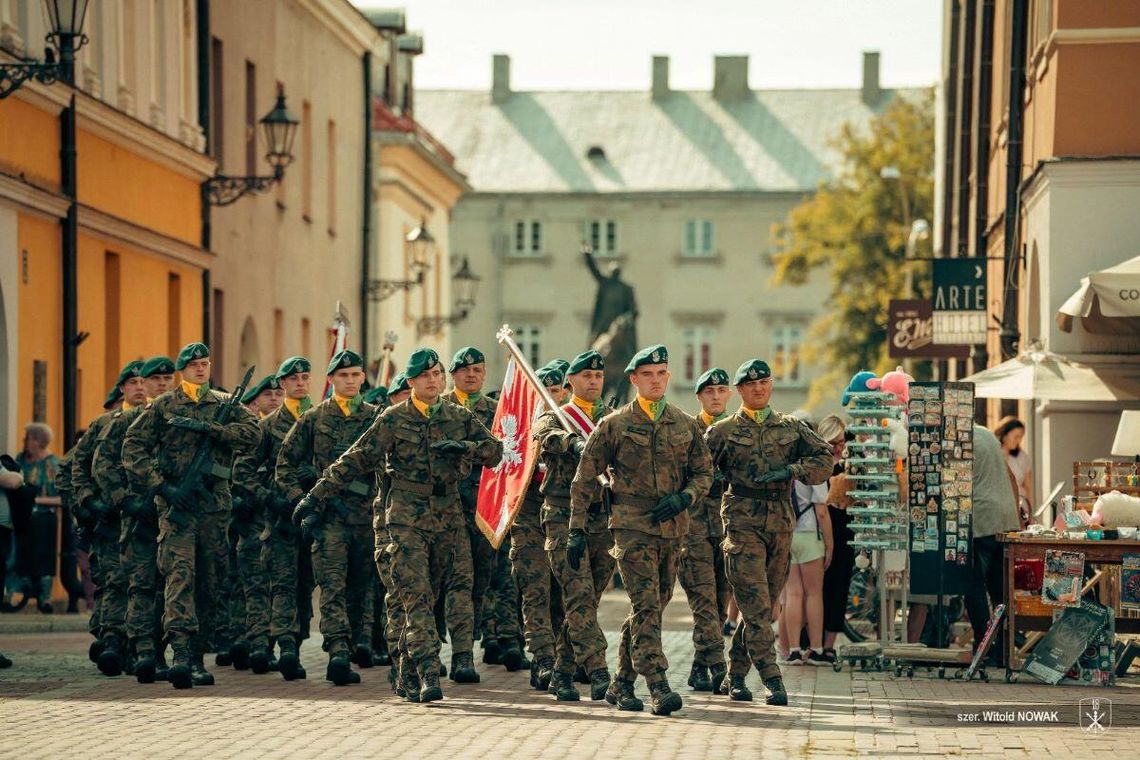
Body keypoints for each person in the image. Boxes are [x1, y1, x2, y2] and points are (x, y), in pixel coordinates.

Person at [298, 348, 502, 702]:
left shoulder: (458, 415)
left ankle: (405, 668)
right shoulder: (393, 419)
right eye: (425, 376)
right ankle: (427, 671)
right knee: (416, 594)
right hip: (405, 515)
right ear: (411, 382)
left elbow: (496, 451)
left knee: (429, 595)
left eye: (437, 374)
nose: (433, 380)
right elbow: (356, 459)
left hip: (448, 515)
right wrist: (316, 496)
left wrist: (466, 447)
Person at [570, 344, 713, 716]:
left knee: (654, 606)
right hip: (631, 527)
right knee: (646, 603)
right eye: (647, 374)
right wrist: (576, 528)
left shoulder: (685, 424)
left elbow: (704, 472)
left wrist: (686, 497)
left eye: (661, 373)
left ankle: (620, 683)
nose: (655, 380)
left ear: (668, 376)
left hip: (673, 528)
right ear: (634, 379)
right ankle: (658, 684)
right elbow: (584, 478)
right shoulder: (614, 425)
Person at [122, 342, 260, 689]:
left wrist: (214, 431)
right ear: (183, 369)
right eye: (194, 364)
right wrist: (161, 487)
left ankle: (199, 655)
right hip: (177, 509)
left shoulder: (224, 405)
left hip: (214, 509)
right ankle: (181, 653)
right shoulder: (166, 405)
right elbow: (133, 447)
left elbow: (253, 435)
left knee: (210, 580)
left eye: (206, 363)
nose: (201, 369)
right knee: (179, 576)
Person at [705, 359, 831, 706]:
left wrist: (792, 470)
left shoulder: (790, 427)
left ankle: (734, 674)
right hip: (742, 523)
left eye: (764, 382)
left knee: (762, 608)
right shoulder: (723, 431)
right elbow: (697, 471)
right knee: (757, 606)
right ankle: (772, 679)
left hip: (780, 523)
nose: (758, 388)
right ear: (740, 391)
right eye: (751, 384)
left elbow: (825, 458)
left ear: (770, 385)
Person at [277, 350, 377, 686]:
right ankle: (338, 652)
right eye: (343, 375)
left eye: (355, 375)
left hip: (367, 519)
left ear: (363, 378)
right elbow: (284, 464)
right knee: (332, 586)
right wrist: (302, 504)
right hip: (330, 519)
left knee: (361, 587)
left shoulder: (377, 418)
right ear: (331, 379)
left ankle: (356, 642)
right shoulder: (314, 418)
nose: (350, 381)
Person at [535, 351, 616, 703]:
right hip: (564, 517)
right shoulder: (556, 416)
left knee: (587, 600)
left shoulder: (614, 419)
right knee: (578, 595)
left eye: (598, 377)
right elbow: (545, 438)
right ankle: (599, 672)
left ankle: (562, 671)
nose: (594, 382)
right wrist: (573, 441)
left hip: (602, 516)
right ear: (571, 382)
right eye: (586, 377)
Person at [70, 361, 147, 676]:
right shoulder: (102, 424)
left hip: (144, 518)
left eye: (145, 382)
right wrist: (86, 502)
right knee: (113, 580)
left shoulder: (160, 421)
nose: (140, 387)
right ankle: (112, 638)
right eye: (133, 383)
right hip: (111, 518)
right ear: (123, 390)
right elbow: (77, 466)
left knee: (141, 582)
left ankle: (137, 644)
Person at [109, 355, 177, 683]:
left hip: (171, 516)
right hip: (139, 517)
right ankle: (142, 652)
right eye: (155, 380)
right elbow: (102, 465)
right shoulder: (125, 422)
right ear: (143, 384)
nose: (162, 385)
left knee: (169, 587)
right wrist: (126, 502)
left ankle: (160, 651)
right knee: (141, 586)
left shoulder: (179, 420)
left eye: (168, 379)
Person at [444, 347, 512, 667]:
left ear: (484, 375)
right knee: (451, 578)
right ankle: (451, 649)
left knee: (483, 578)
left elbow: (505, 457)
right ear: (453, 374)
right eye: (465, 369)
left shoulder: (497, 412)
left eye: (478, 369)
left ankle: (482, 637)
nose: (472, 375)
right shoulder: (441, 409)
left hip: (486, 508)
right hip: (447, 507)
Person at [511, 364, 568, 694]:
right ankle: (543, 656)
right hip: (529, 515)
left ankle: (565, 655)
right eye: (543, 389)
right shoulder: (522, 428)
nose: (551, 395)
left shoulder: (574, 425)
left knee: (564, 592)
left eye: (556, 389)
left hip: (562, 517)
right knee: (535, 589)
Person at [682, 367, 733, 693]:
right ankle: (718, 668)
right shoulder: (688, 431)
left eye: (721, 391)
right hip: (694, 527)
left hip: (728, 528)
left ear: (728, 394)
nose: (715, 397)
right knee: (702, 601)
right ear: (699, 396)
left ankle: (699, 668)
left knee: (718, 604)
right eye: (709, 392)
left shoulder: (736, 430)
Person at [964, 425, 1021, 665]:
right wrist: (1016, 516)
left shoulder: (961, 440)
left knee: (973, 584)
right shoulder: (987, 434)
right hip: (1005, 518)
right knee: (1000, 590)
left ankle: (982, 645)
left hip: (982, 519)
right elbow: (1011, 477)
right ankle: (1002, 649)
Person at [780, 421, 834, 667]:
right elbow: (822, 512)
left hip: (788, 534)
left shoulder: (784, 465)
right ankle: (815, 648)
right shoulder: (815, 469)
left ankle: (792, 650)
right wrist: (830, 544)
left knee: (792, 594)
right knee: (814, 594)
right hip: (810, 533)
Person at [16, 422, 64, 614]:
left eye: (27, 438)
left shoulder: (52, 464)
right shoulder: (20, 461)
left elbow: (62, 497)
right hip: (23, 518)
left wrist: (36, 499)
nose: (24, 441)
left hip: (44, 518)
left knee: (44, 558)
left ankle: (45, 598)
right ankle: (21, 592)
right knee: (21, 556)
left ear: (37, 441)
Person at [816, 415, 852, 665]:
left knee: (838, 589)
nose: (838, 447)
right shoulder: (818, 465)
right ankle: (813, 641)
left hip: (845, 532)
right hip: (820, 530)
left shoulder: (850, 465)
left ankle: (829, 645)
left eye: (842, 441)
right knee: (816, 590)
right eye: (833, 442)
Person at [994, 416, 1032, 525]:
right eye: (1016, 436)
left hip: (1020, 508)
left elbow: (1028, 487)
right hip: (998, 508)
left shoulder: (1023, 457)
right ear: (1005, 434)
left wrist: (1030, 514)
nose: (1019, 440)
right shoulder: (994, 453)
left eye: (1021, 437)